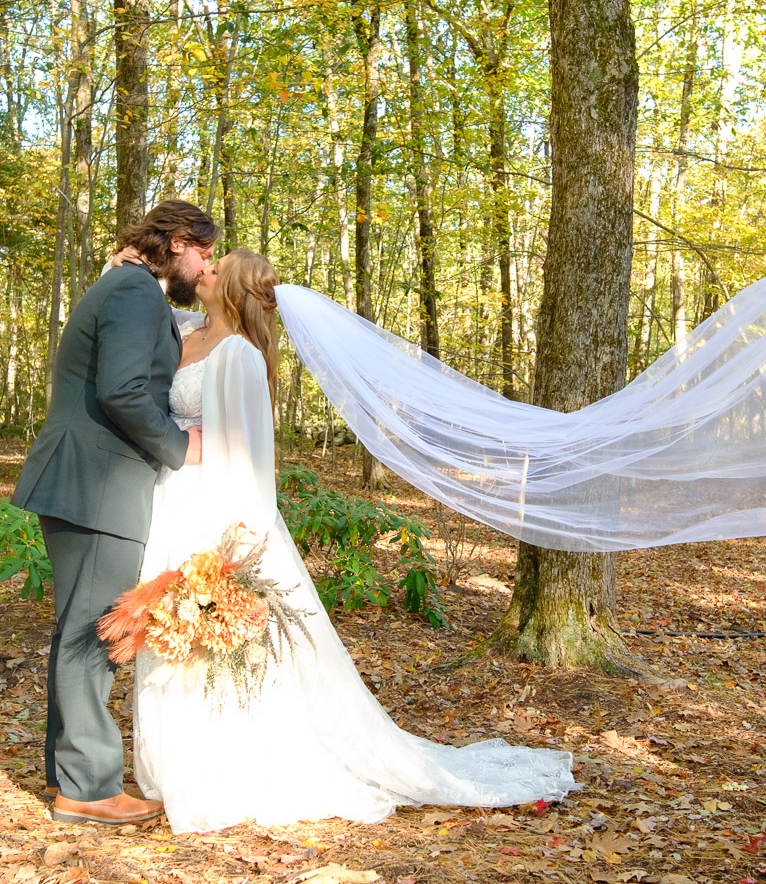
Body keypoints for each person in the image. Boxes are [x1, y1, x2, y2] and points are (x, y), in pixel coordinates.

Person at [131, 249, 579, 833]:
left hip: (214, 514)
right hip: (171, 503)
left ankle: (222, 767)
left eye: (219, 269)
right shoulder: (185, 329)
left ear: (236, 292)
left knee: (214, 643)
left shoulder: (239, 355)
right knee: (169, 636)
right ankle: (175, 764)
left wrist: (238, 547)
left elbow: (249, 457)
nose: (204, 272)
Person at [13, 200, 220, 825]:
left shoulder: (131, 286)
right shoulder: (132, 290)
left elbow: (161, 339)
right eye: (205, 254)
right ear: (178, 242)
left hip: (85, 478)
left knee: (79, 627)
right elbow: (123, 390)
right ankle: (89, 787)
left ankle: (70, 771)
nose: (207, 265)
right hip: (95, 481)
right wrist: (181, 448)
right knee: (95, 631)